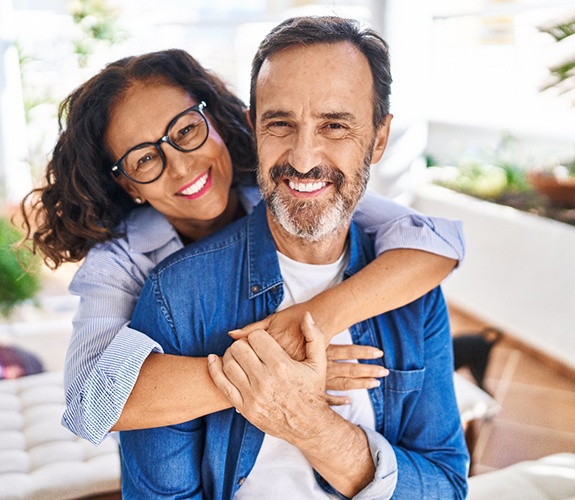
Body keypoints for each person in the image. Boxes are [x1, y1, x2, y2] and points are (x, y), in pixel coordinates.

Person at [20, 47, 464, 447]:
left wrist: (316, 320)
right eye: (145, 158)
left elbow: (434, 241)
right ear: (127, 183)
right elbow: (87, 402)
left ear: (215, 121)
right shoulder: (121, 261)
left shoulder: (283, 186)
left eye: (186, 130)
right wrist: (275, 373)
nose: (181, 165)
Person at [120, 16, 469, 499]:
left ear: (379, 139)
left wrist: (310, 425)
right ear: (253, 130)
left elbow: (448, 487)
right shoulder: (178, 294)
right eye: (280, 124)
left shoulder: (411, 289)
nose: (304, 159)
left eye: (335, 125)